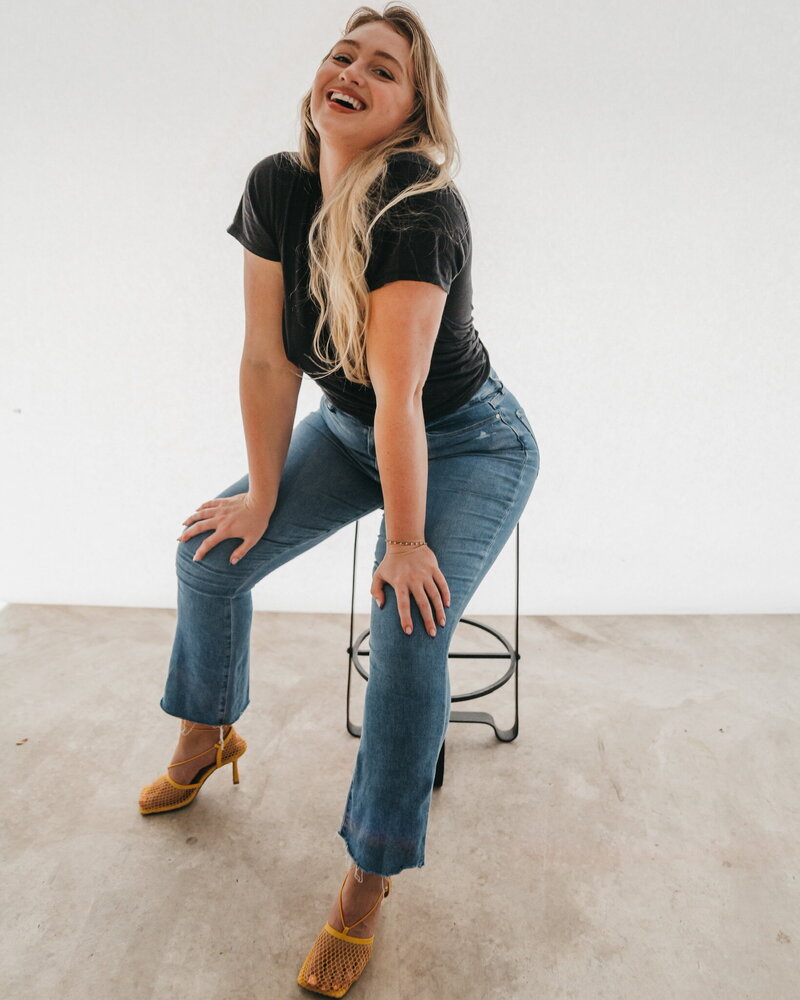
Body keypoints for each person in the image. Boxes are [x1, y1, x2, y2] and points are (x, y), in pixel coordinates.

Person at [138, 3, 540, 995]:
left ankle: (368, 874)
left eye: (383, 68)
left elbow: (402, 394)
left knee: (406, 632)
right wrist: (263, 495)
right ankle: (207, 727)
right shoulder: (278, 187)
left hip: (465, 442)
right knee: (206, 555)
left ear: (409, 114)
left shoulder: (418, 207)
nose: (350, 69)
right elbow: (266, 361)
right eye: (341, 53)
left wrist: (404, 543)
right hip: (354, 434)